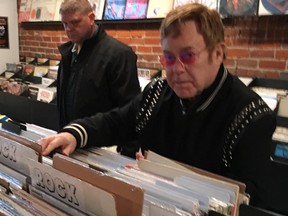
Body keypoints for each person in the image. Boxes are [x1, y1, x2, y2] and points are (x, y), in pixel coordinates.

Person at [40, 3, 281, 214]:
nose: (176, 69)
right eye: (168, 57)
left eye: (188, 56)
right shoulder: (157, 93)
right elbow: (115, 122)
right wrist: (73, 133)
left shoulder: (251, 115)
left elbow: (249, 199)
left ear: (217, 53)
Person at [55, 0, 141, 156]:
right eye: (64, 23)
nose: (68, 29)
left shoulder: (119, 54)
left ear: (91, 18)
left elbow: (130, 110)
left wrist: (126, 156)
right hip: (70, 145)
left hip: (103, 152)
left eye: (75, 22)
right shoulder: (68, 54)